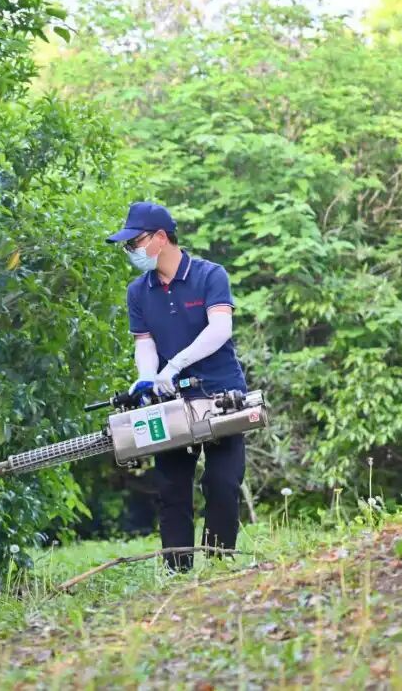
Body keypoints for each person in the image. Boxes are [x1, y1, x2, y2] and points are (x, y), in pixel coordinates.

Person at [106, 201, 249, 572]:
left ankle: (219, 568)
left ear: (160, 238)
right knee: (171, 490)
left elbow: (220, 329)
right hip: (169, 402)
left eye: (134, 243)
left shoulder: (209, 275)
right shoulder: (139, 291)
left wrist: (175, 365)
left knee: (222, 484)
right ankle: (177, 571)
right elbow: (144, 343)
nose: (131, 251)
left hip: (220, 394)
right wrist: (147, 378)